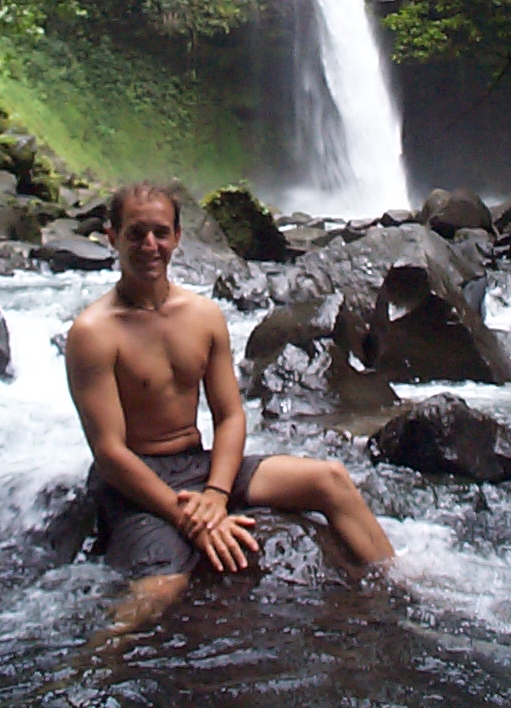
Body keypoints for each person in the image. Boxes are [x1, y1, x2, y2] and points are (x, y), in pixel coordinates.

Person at [65, 181, 394, 638]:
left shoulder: (203, 316)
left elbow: (230, 416)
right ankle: (95, 661)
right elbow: (109, 452)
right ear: (112, 238)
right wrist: (188, 518)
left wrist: (217, 494)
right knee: (161, 588)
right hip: (136, 481)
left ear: (178, 237)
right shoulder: (93, 332)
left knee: (331, 479)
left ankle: (399, 591)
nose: (149, 246)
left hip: (199, 465)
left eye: (161, 233)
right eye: (135, 234)